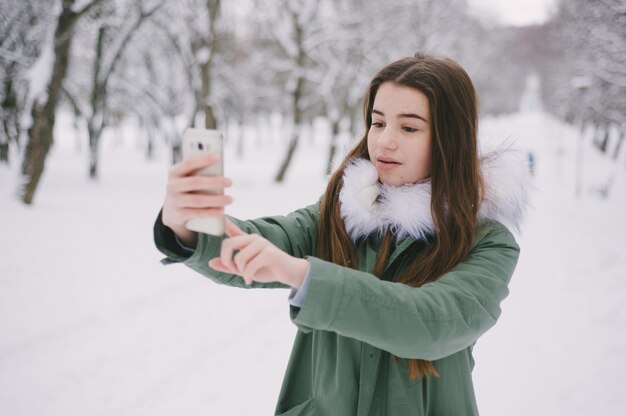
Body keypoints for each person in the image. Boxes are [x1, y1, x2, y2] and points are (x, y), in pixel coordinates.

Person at [154, 53, 531, 416]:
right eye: (378, 122)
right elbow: (260, 241)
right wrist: (186, 225)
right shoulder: (345, 211)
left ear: (452, 139)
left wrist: (305, 276)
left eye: (409, 127)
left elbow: (431, 323)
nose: (384, 141)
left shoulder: (488, 242)